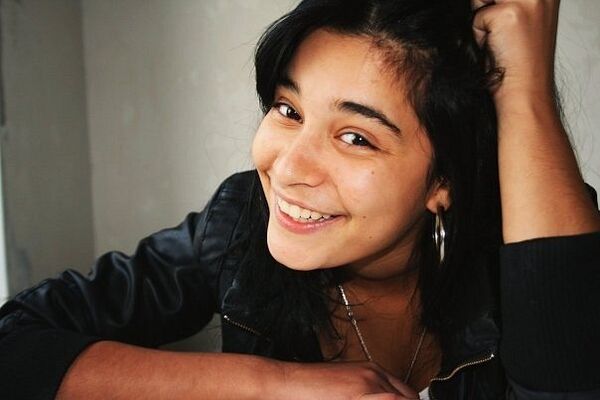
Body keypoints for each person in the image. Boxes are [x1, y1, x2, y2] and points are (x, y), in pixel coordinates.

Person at [1, 0, 599, 399]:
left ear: (446, 182)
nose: (287, 168)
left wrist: (525, 87)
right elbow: (15, 346)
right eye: (288, 110)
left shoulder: (534, 246)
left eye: (355, 137)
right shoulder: (238, 220)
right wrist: (274, 385)